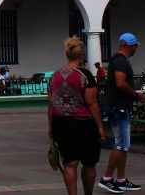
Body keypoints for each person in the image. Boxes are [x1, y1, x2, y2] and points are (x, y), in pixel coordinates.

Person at [49, 37, 105, 195]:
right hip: (84, 124)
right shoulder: (85, 75)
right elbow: (92, 102)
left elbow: (51, 104)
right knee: (89, 163)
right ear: (82, 56)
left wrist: (50, 126)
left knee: (70, 164)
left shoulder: (55, 75)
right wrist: (100, 126)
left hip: (61, 123)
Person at [98, 33, 145, 193]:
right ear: (129, 45)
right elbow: (120, 83)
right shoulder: (120, 61)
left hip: (119, 106)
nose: (136, 49)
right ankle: (106, 178)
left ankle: (121, 179)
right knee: (121, 144)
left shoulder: (120, 60)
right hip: (119, 107)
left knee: (124, 145)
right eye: (135, 46)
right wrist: (135, 94)